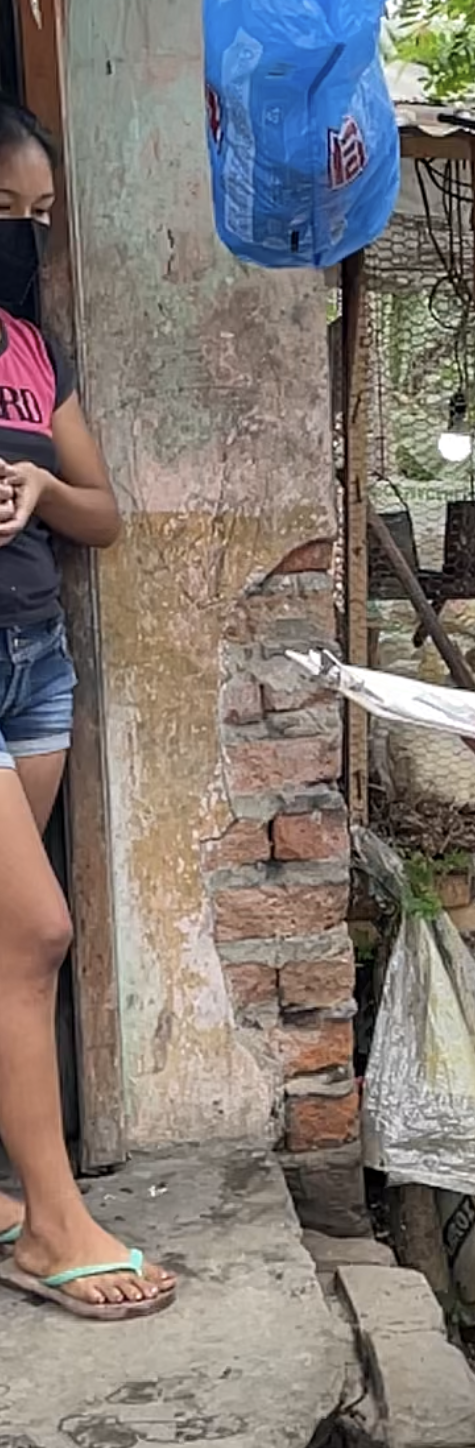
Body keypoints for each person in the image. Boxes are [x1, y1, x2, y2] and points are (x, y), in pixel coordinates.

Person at [0, 101, 175, 1320]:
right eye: (3, 210)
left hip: (33, 662)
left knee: (1, 947)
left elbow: (104, 512)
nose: (24, 233)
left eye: (39, 214)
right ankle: (55, 1225)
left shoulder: (29, 347)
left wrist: (39, 484)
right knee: (37, 934)